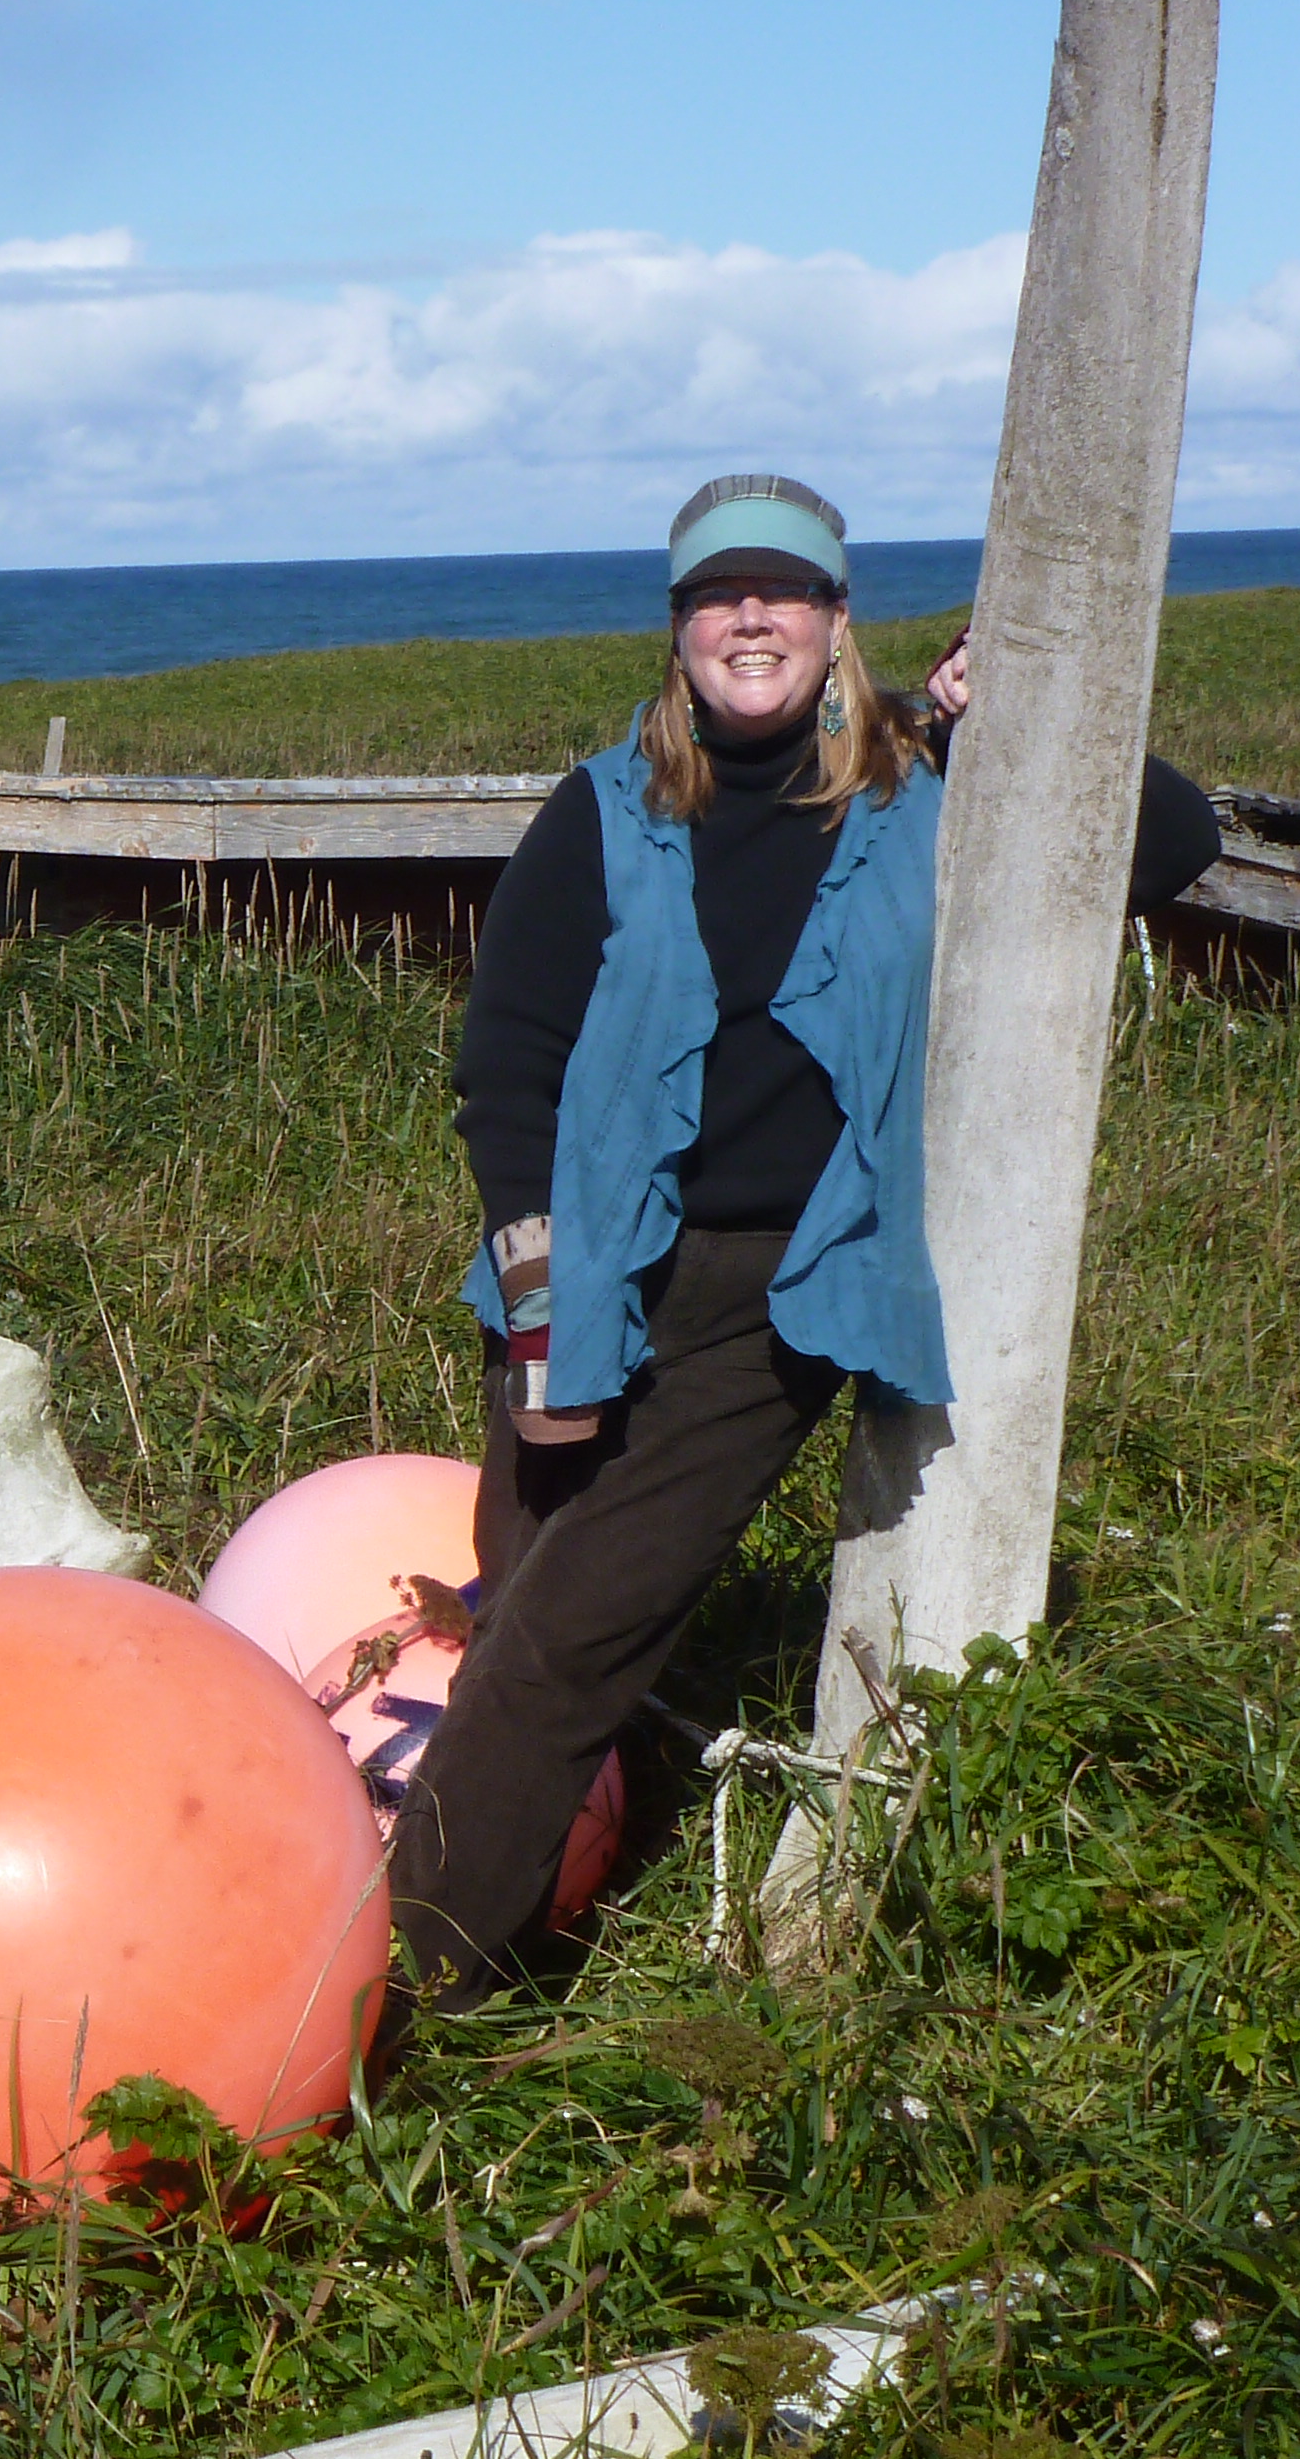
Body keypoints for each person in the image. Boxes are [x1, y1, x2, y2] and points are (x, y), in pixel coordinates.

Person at [387, 474, 1221, 2000]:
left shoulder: (919, 783)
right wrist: (540, 1307)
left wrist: (1003, 711)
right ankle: (549, 1889)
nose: (751, 616)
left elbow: (1166, 841)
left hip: (783, 1290)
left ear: (838, 620)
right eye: (720, 594)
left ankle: (398, 1993)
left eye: (783, 590)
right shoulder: (605, 808)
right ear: (681, 629)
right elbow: (507, 1065)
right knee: (524, 1610)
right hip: (587, 1273)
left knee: (565, 1641)